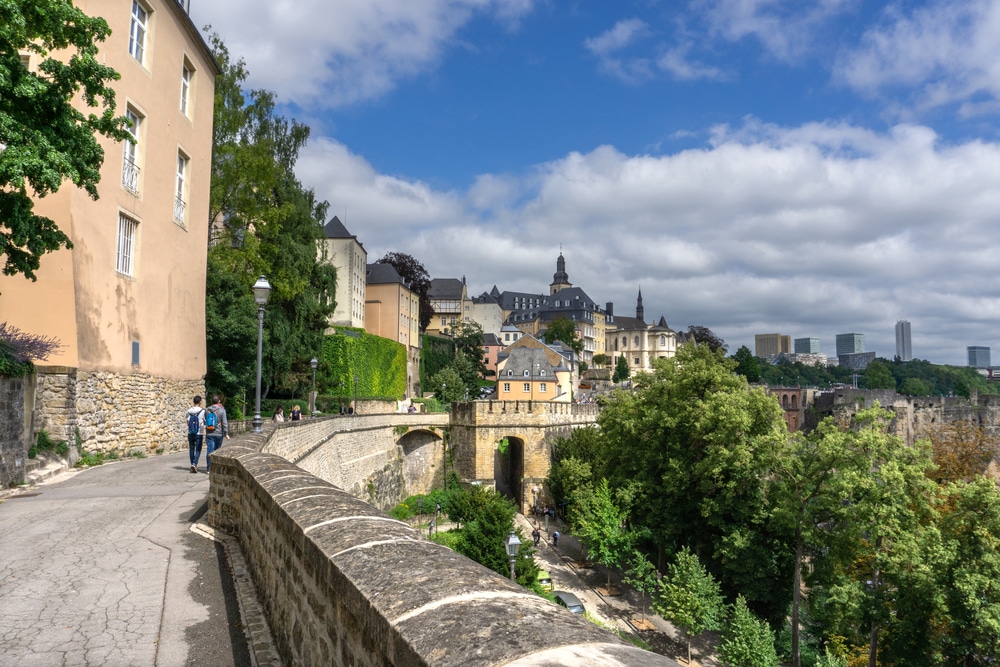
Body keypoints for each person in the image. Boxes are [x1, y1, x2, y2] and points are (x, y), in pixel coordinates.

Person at [204, 395, 230, 473]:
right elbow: (225, 423)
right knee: (217, 451)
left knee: (209, 451)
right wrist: (226, 434)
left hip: (209, 433)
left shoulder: (206, 410)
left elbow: (206, 420)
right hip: (218, 434)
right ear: (219, 402)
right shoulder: (222, 410)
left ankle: (209, 468)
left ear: (211, 401)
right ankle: (216, 468)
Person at [185, 395, 205, 473]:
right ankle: (194, 463)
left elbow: (187, 421)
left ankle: (193, 465)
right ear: (200, 402)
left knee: (191, 448)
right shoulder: (202, 411)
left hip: (190, 432)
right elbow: (205, 420)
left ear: (193, 401)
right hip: (199, 432)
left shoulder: (188, 411)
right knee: (198, 449)